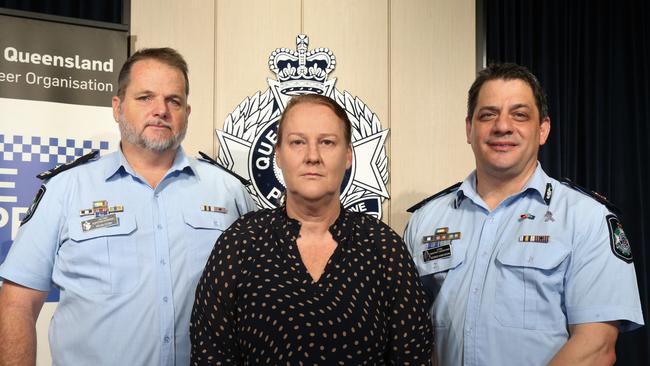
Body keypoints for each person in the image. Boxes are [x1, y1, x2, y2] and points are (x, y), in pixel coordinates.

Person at [0, 47, 256, 365]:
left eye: (173, 100)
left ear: (187, 113)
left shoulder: (227, 192)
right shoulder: (67, 189)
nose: (160, 110)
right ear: (118, 107)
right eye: (145, 97)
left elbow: (258, 301)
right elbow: (17, 304)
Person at [404, 63, 644, 366]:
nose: (502, 126)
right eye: (488, 114)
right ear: (469, 128)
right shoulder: (425, 221)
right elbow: (406, 337)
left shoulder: (587, 219)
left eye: (519, 115)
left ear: (543, 129)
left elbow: (596, 348)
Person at [190, 94, 433, 365]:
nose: (312, 156)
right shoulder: (240, 242)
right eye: (297, 142)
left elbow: (413, 356)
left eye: (327, 142)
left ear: (349, 155)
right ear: (278, 155)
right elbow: (210, 355)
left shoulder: (383, 247)